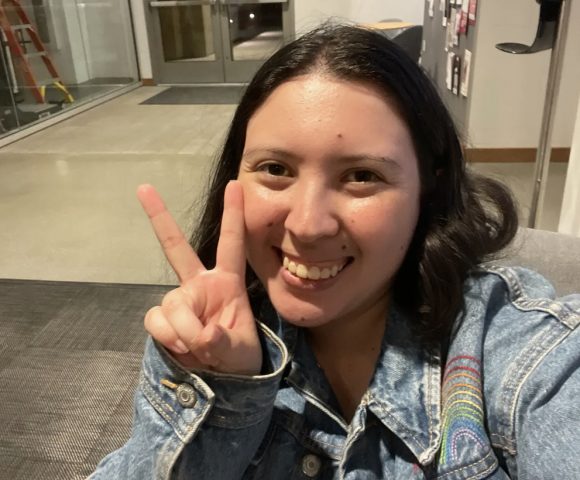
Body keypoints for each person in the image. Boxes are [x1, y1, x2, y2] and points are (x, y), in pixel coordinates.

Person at [90, 24, 580, 479]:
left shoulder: (524, 358)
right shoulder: (208, 335)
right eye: (275, 169)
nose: (307, 226)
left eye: (362, 176)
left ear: (427, 188)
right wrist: (221, 396)